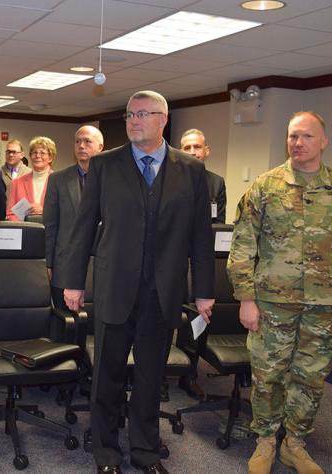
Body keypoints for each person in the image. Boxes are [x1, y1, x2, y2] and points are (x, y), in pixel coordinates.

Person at [62, 90, 215, 474]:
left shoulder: (191, 171)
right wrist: (73, 281)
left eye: (142, 114)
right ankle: (106, 453)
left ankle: (146, 452)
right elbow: (83, 228)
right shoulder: (104, 165)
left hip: (162, 295)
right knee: (107, 376)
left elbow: (201, 235)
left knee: (150, 379)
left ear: (164, 119)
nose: (133, 120)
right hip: (114, 289)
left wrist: (204, 292)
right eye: (130, 114)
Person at [226, 111, 332, 474]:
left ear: (323, 142)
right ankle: (264, 441)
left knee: (310, 376)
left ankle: (295, 443)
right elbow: (242, 246)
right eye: (293, 136)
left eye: (307, 136)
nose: (298, 143)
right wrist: (246, 298)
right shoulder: (266, 186)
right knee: (268, 373)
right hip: (272, 301)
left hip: (323, 304)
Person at [44, 125, 104, 305]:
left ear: (100, 146)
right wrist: (47, 263)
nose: (81, 146)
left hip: (101, 265)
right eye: (77, 141)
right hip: (65, 264)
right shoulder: (58, 179)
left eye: (87, 141)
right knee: (65, 325)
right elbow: (50, 224)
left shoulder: (113, 178)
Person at [180, 129, 227, 223]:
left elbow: (219, 223)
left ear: (207, 151)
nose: (192, 152)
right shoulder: (169, 181)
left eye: (197, 147)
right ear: (180, 152)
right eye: (187, 148)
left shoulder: (217, 183)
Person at [6, 136, 56, 221]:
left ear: (50, 158)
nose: (37, 156)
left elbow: (66, 212)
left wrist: (44, 211)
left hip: (50, 231)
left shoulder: (59, 181)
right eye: (34, 153)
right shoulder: (17, 183)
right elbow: (10, 214)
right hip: (25, 231)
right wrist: (24, 215)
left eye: (42, 153)